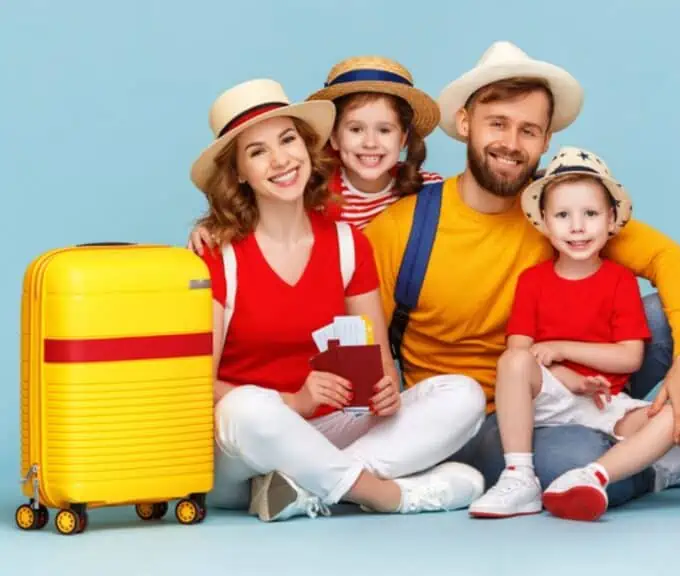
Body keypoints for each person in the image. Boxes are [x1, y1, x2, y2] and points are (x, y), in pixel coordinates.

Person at [363, 41, 680, 511]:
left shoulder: (560, 210)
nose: (511, 143)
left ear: (546, 140)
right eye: (498, 124)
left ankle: (633, 438)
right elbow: (366, 341)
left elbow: (676, 262)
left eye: (529, 130)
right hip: (487, 416)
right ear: (465, 125)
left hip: (591, 380)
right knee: (572, 461)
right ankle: (659, 464)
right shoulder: (402, 228)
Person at [189, 77, 486, 523]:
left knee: (462, 394)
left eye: (288, 140)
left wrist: (385, 389)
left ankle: (303, 488)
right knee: (246, 408)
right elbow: (194, 386)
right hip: (246, 450)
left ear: (310, 150)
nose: (280, 159)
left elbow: (377, 360)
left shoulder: (347, 243)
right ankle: (386, 495)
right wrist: (296, 403)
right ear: (239, 174)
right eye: (258, 151)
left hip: (333, 431)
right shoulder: (216, 256)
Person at [467, 145, 680, 518]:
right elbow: (520, 354)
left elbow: (630, 356)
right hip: (551, 396)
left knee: (673, 414)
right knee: (514, 361)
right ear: (545, 223)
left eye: (591, 214)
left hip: (607, 403)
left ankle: (594, 475)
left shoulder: (619, 280)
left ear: (611, 218)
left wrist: (561, 347)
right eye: (563, 215)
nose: (578, 227)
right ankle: (519, 477)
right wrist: (567, 376)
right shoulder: (533, 281)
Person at [188, 55, 444, 252]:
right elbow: (250, 210)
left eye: (385, 130)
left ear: (403, 138)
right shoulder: (309, 191)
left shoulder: (431, 192)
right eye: (355, 129)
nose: (370, 143)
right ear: (333, 135)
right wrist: (210, 229)